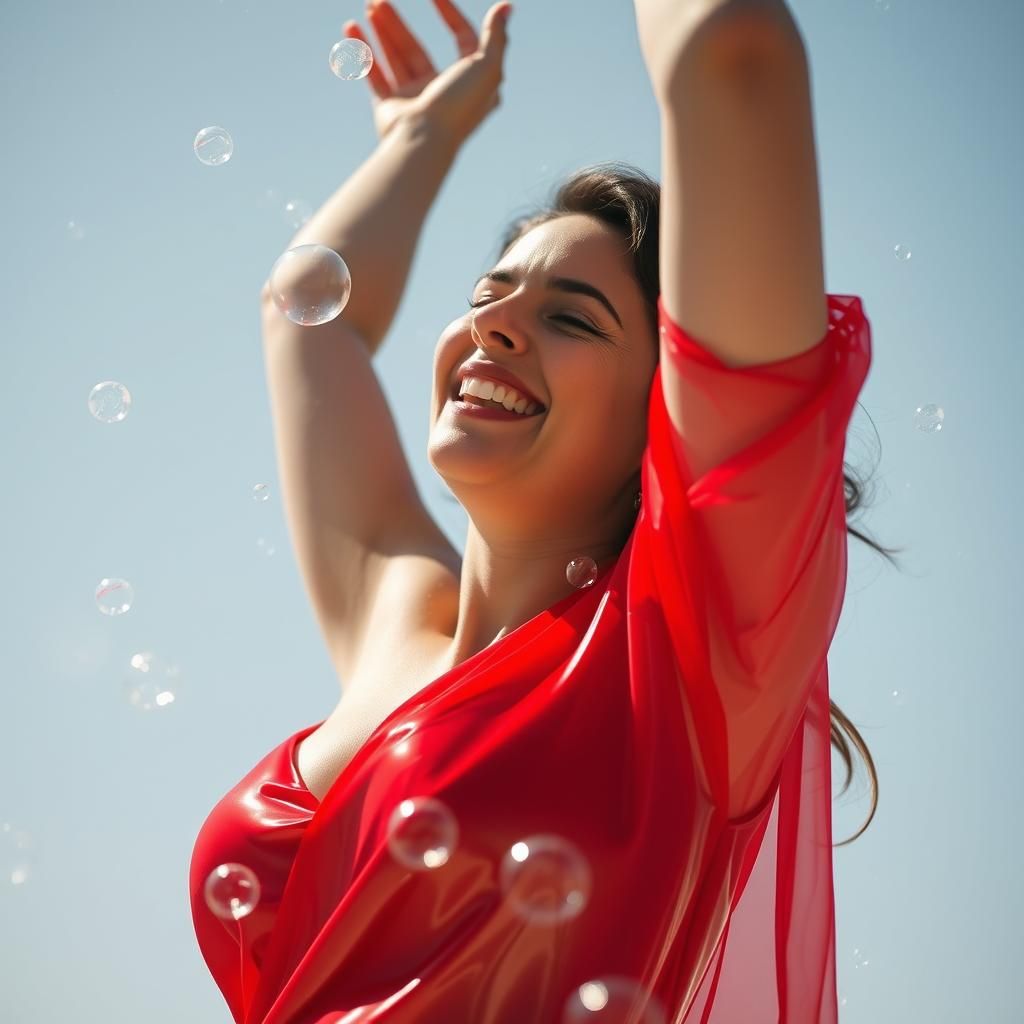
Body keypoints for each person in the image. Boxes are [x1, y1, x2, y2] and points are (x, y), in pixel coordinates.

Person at [191, 2, 891, 1020]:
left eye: (570, 317)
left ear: (670, 413)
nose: (495, 325)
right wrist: (424, 134)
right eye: (489, 292)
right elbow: (305, 318)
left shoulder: (691, 654)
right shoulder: (397, 612)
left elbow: (732, 53)